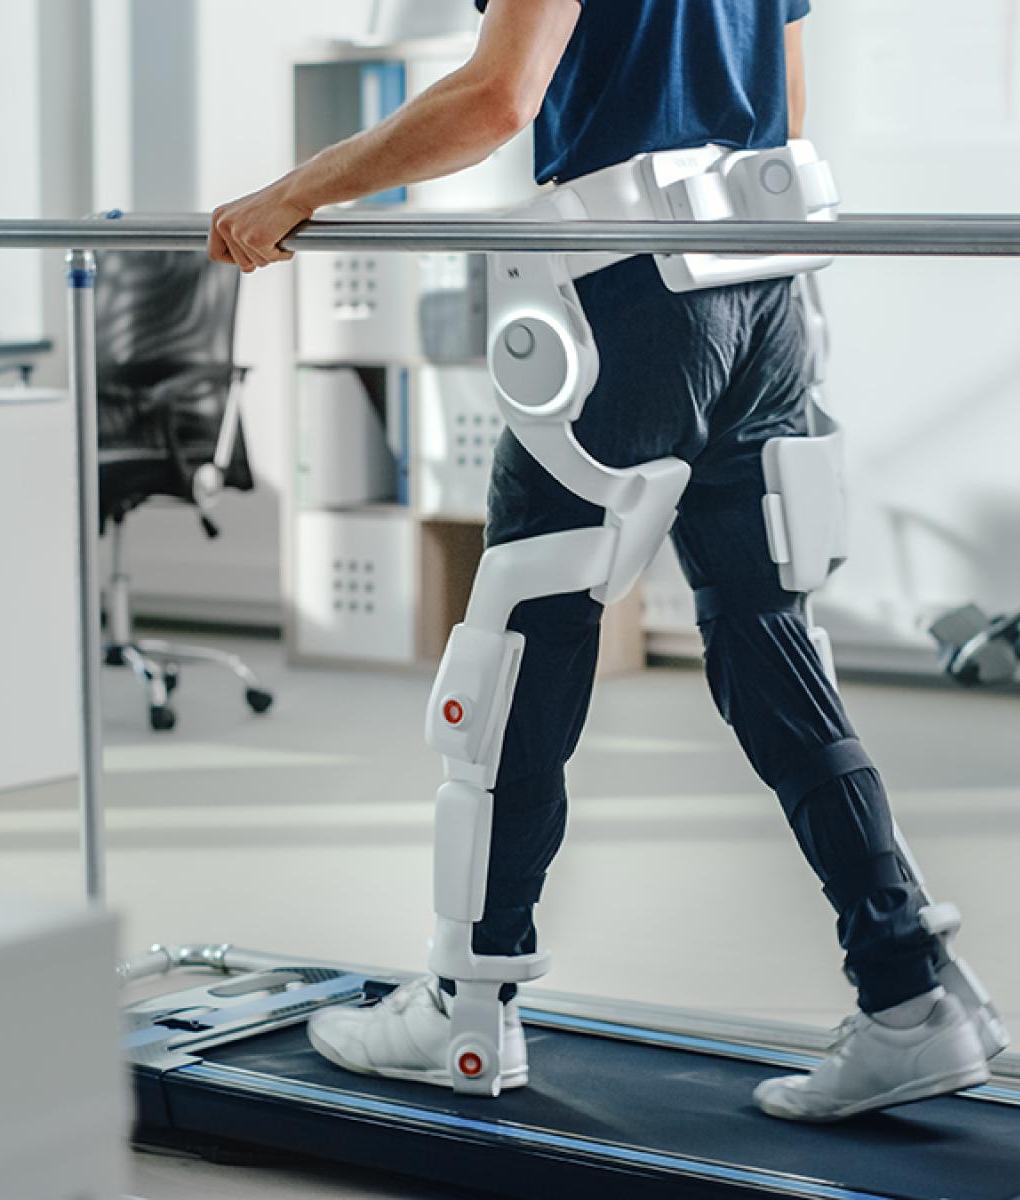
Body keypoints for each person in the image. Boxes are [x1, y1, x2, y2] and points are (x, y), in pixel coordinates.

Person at [208, 0, 991, 1121]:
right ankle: (911, 992)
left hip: (627, 294)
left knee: (522, 640)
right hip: (760, 285)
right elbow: (787, 97)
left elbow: (498, 97)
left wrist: (300, 190)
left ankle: (464, 1005)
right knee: (768, 639)